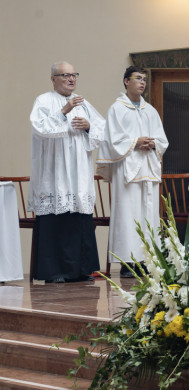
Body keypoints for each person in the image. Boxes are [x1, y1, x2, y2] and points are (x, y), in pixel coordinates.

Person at [29, 62, 105, 283]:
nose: (71, 79)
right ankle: (55, 272)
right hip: (55, 171)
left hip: (79, 170)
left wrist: (88, 126)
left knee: (79, 217)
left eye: (74, 75)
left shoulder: (83, 102)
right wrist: (64, 111)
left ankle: (82, 270)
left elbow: (102, 129)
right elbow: (40, 128)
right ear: (53, 79)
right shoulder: (43, 100)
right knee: (57, 217)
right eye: (65, 75)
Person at [97, 66, 168, 278]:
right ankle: (127, 262)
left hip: (148, 167)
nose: (142, 82)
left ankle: (146, 261)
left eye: (144, 79)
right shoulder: (117, 109)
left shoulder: (150, 111)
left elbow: (162, 140)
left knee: (148, 215)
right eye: (138, 78)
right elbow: (112, 141)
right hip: (127, 170)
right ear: (126, 81)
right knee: (128, 215)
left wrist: (153, 144)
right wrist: (135, 142)